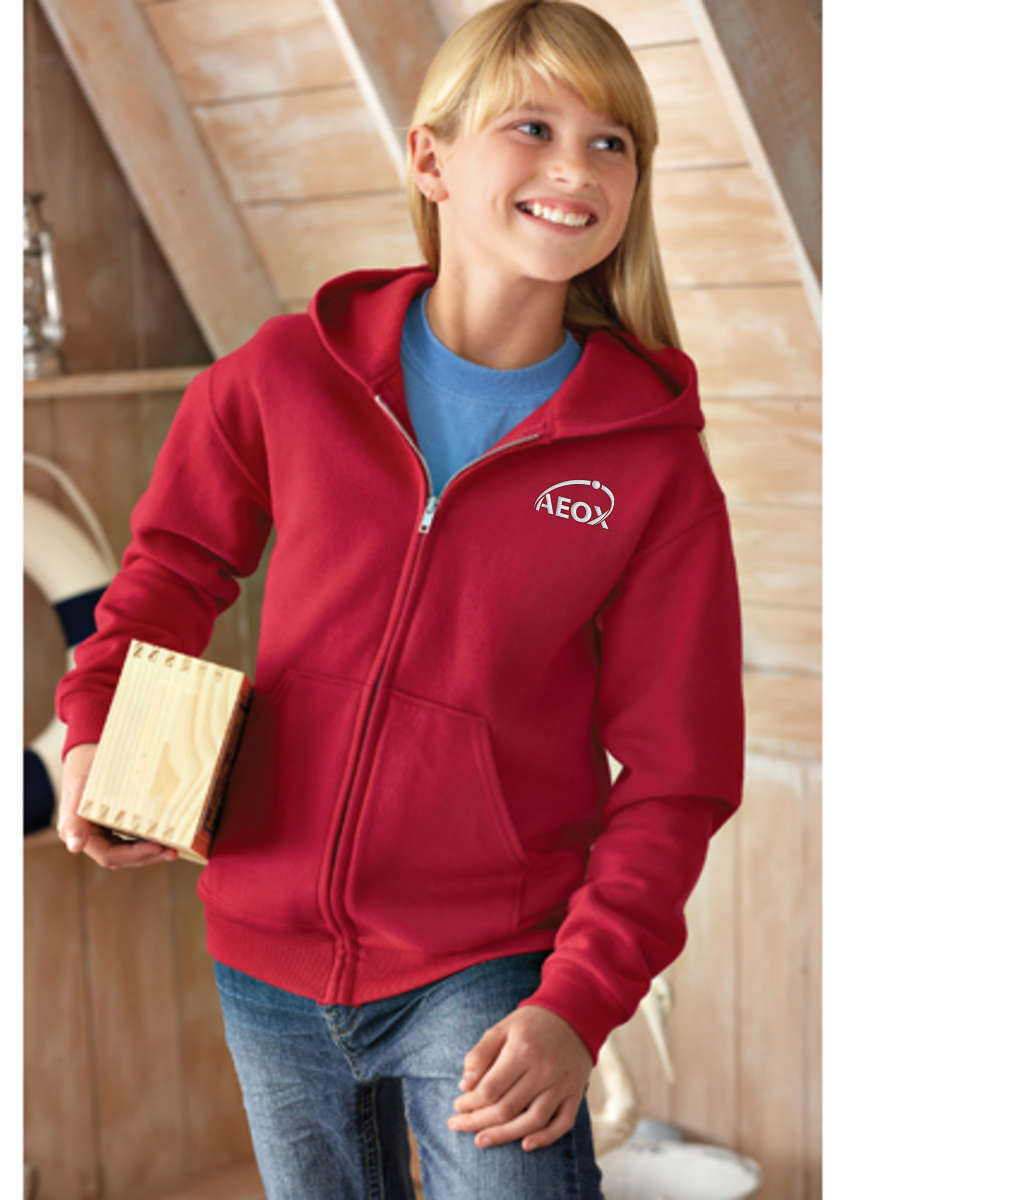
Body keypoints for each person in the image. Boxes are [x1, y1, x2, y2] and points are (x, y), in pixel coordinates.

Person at [53, 1, 745, 1196]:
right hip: (264, 958)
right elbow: (170, 570)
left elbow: (678, 775)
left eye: (612, 143)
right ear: (430, 158)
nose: (576, 169)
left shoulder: (649, 464)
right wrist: (94, 734)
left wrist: (578, 1003)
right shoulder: (289, 375)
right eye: (533, 128)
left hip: (491, 969)